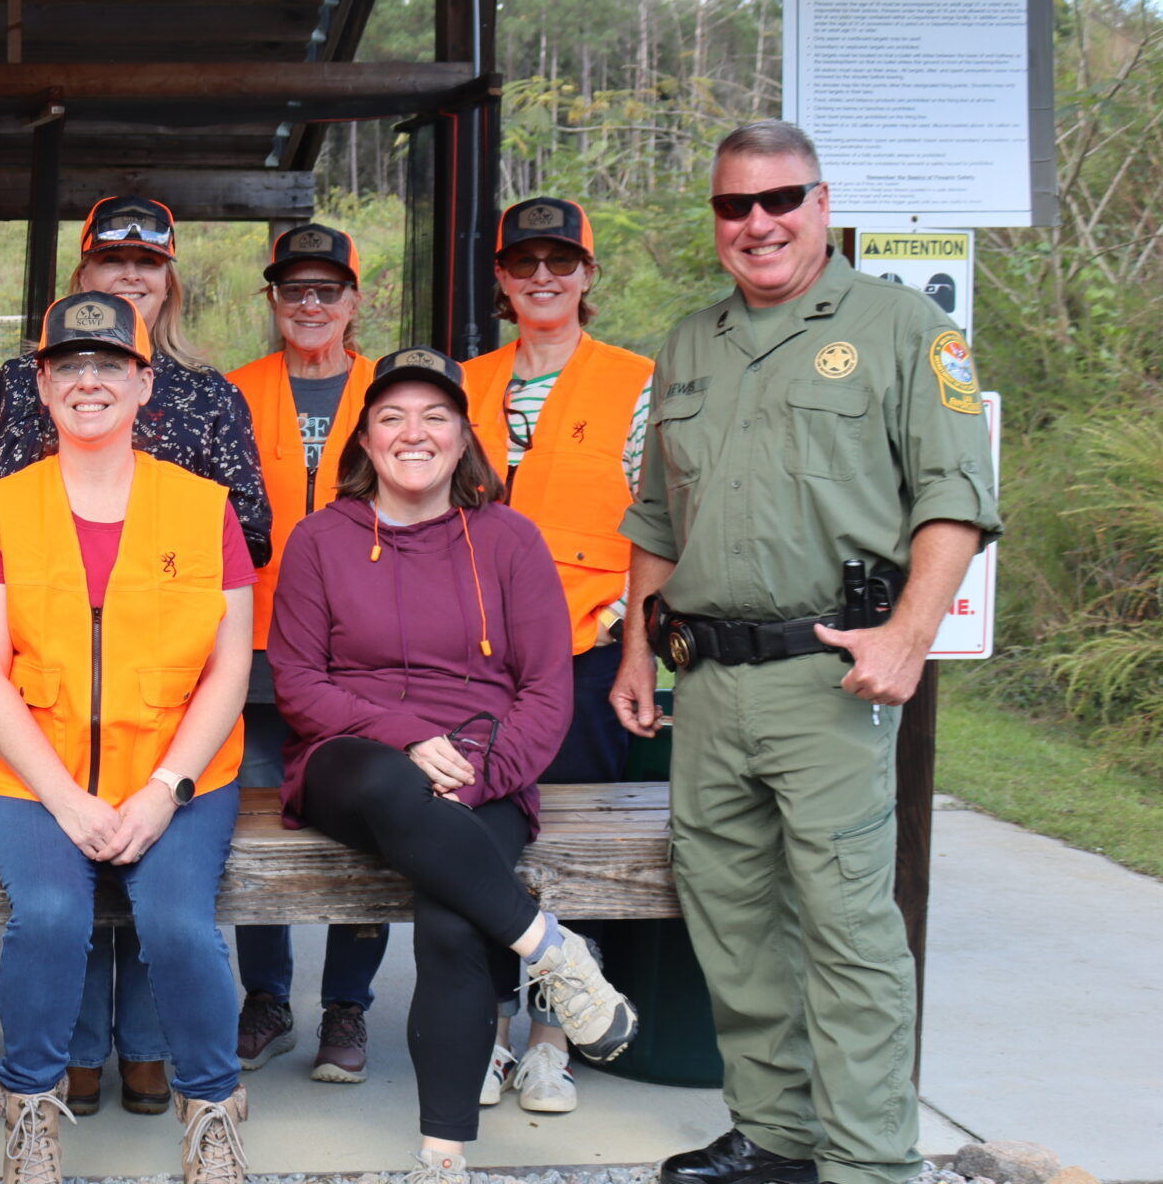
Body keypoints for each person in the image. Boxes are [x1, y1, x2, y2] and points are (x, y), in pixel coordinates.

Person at [614, 122, 1000, 1184]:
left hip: (827, 678)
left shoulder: (902, 329)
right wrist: (639, 653)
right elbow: (656, 515)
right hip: (709, 676)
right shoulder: (691, 340)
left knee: (846, 927)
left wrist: (908, 639)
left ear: (821, 204)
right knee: (731, 918)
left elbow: (955, 498)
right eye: (734, 206)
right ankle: (777, 1133)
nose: (758, 224)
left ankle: (872, 1161)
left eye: (779, 199)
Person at [268, 345, 639, 1184]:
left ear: (464, 436)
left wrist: (476, 775)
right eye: (392, 416)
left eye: (435, 415)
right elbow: (298, 683)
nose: (414, 432)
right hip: (348, 758)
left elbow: (548, 688)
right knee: (386, 777)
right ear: (362, 439)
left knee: (452, 920)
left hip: (484, 766)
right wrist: (401, 735)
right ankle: (555, 952)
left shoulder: (509, 540)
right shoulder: (321, 540)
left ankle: (443, 1155)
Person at [0, 292, 254, 1184]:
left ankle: (212, 1111)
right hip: (28, 776)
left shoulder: (204, 508)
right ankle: (30, 1107)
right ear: (40, 386)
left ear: (144, 381)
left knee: (175, 920)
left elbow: (229, 672)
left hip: (178, 769)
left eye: (110, 364)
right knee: (50, 912)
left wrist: (165, 789)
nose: (90, 381)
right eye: (69, 366)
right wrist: (66, 800)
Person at [460, 196, 654, 1114]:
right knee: (476, 840)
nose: (544, 278)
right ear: (500, 277)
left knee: (572, 845)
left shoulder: (637, 381)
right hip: (470, 657)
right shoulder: (460, 384)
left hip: (584, 651)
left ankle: (551, 1042)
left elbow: (664, 523)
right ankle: (491, 1030)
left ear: (588, 275)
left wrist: (635, 641)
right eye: (524, 263)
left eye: (561, 262)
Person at [221, 221, 385, 1081]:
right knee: (256, 824)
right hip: (250, 642)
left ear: (356, 300)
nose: (311, 303)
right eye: (294, 290)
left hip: (367, 650)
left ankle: (348, 1008)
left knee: (367, 823)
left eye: (328, 289)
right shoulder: (234, 393)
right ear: (274, 301)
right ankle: (267, 996)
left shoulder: (393, 391)